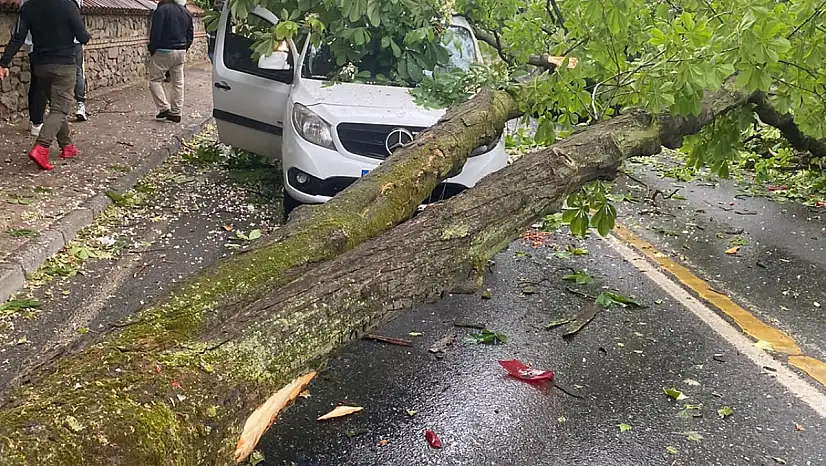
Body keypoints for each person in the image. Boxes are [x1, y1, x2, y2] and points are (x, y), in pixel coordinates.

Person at [0, 0, 90, 170]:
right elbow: (82, 36)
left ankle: (67, 146)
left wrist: (4, 63)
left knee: (57, 106)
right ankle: (41, 147)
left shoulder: (28, 6)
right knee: (60, 109)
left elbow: (18, 37)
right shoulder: (69, 5)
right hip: (63, 64)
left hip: (40, 65)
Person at [148, 0, 193, 123]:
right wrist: (184, 48)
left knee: (154, 80)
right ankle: (176, 113)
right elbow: (190, 35)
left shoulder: (161, 10)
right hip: (181, 51)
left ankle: (164, 108)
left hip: (163, 50)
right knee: (178, 82)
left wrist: (152, 49)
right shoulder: (186, 12)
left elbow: (155, 33)